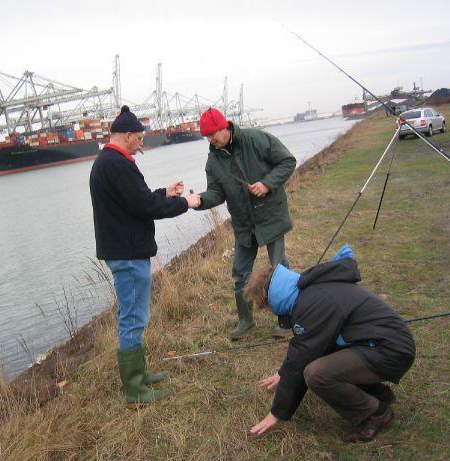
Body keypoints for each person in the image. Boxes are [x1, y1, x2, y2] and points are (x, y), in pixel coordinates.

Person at [244, 245, 416, 442]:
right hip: (383, 342)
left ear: (269, 299)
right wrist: (283, 373)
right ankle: (379, 394)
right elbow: (306, 347)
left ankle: (376, 414)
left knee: (316, 374)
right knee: (325, 356)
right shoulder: (306, 292)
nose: (268, 311)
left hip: (391, 350)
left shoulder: (310, 304)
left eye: (264, 307)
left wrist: (277, 413)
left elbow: (302, 358)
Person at [89, 105, 201, 408]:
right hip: (127, 254)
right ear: (127, 136)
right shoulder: (117, 164)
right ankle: (135, 390)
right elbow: (143, 207)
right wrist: (185, 203)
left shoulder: (108, 161)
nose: (142, 144)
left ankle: (139, 375)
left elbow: (136, 200)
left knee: (134, 316)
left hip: (123, 250)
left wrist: (165, 192)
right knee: (133, 318)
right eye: (139, 138)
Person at [194, 108, 297, 339]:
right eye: (206, 137)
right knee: (240, 272)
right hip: (243, 224)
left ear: (224, 127)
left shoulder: (256, 139)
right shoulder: (213, 161)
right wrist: (197, 200)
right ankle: (246, 321)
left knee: (279, 267)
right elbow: (216, 193)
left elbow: (287, 161)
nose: (209, 140)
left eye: (212, 135)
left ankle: (287, 319)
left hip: (271, 215)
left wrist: (267, 184)